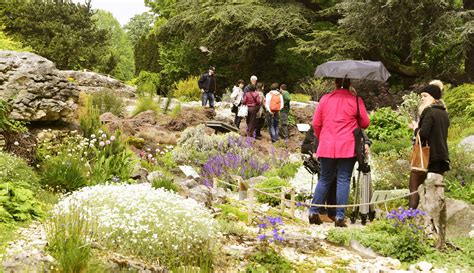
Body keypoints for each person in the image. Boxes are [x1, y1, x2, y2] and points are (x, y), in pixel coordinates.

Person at [308, 78, 370, 227]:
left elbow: (316, 123)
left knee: (324, 178)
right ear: (350, 84)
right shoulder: (356, 100)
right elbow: (365, 123)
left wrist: (322, 136)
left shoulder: (325, 99)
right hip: (348, 146)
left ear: (335, 83)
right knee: (343, 179)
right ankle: (340, 217)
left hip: (327, 144)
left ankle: (313, 212)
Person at [408, 84, 450, 209]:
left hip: (427, 157)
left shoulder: (429, 111)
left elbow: (424, 134)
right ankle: (434, 220)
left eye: (425, 96)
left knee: (414, 186)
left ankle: (411, 216)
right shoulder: (444, 113)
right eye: (421, 96)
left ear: (434, 98)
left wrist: (416, 129)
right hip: (441, 156)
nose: (422, 98)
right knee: (435, 192)